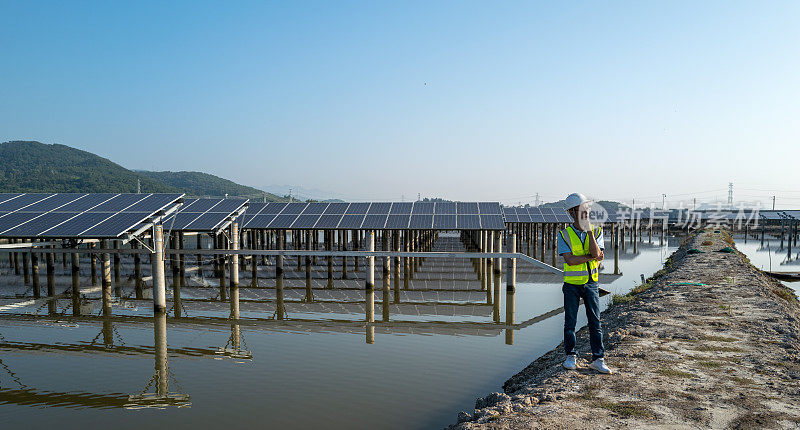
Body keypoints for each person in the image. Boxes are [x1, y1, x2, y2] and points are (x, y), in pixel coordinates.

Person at [557, 193, 612, 374]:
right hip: (572, 284)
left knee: (595, 321)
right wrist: (591, 257)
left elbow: (598, 253)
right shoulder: (564, 235)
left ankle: (598, 359)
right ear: (572, 212)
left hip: (591, 283)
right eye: (583, 209)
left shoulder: (596, 231)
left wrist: (589, 231)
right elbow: (570, 261)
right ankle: (570, 356)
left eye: (587, 208)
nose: (587, 211)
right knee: (570, 322)